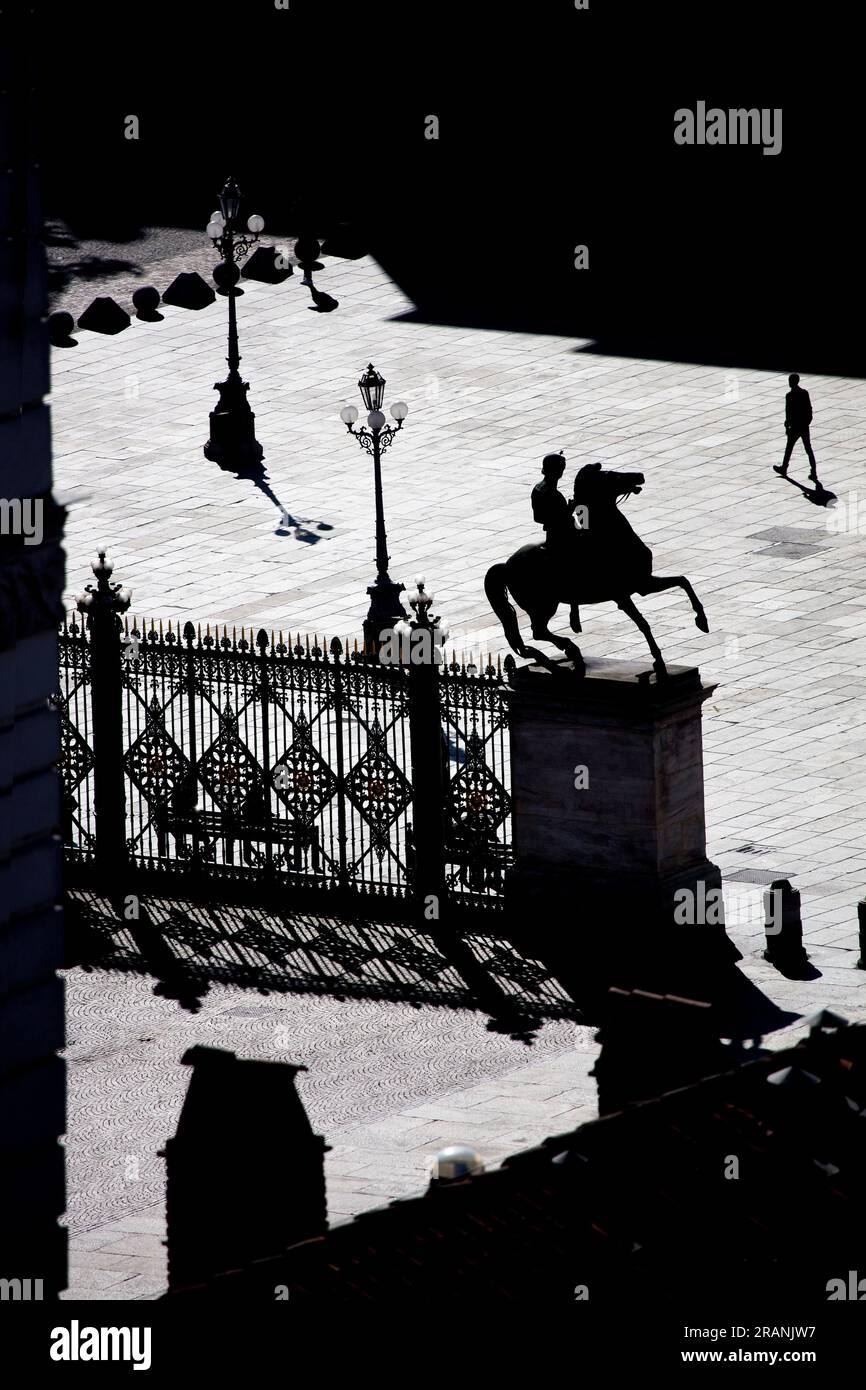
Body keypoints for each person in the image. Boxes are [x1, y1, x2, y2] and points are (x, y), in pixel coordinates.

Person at [530, 452, 582, 632]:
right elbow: (546, 517)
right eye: (560, 469)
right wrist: (570, 510)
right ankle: (575, 608)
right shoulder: (550, 492)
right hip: (561, 534)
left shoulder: (538, 488)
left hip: (560, 529)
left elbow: (538, 517)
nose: (561, 472)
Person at [774, 373, 817, 480]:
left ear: (793, 382)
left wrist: (787, 426)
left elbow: (788, 413)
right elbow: (809, 409)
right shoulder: (804, 393)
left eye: (790, 380)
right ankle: (814, 471)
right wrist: (807, 422)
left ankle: (784, 468)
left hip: (795, 427)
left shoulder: (789, 396)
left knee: (789, 448)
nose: (789, 382)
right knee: (808, 448)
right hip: (803, 426)